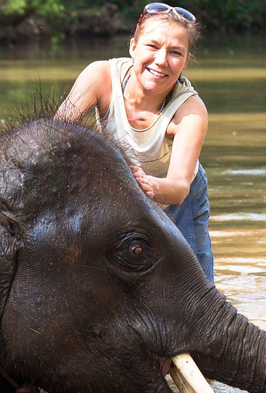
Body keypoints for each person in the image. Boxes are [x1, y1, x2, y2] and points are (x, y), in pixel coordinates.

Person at [55, 3, 213, 283]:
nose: (161, 60)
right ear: (133, 47)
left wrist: (148, 185)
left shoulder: (190, 111)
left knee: (194, 287)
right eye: (152, 46)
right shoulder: (101, 77)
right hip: (120, 186)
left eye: (175, 52)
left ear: (186, 61)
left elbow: (178, 188)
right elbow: (54, 135)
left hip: (177, 194)